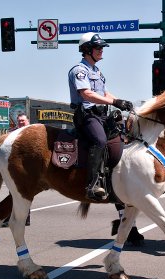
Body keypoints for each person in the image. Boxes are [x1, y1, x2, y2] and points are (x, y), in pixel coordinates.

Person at [68, 32, 133, 199]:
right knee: (100, 140)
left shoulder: (97, 71)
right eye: (98, 47)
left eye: (102, 47)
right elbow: (87, 94)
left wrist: (120, 101)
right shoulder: (79, 70)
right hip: (87, 115)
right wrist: (113, 103)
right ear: (87, 50)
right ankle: (92, 184)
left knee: (121, 139)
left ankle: (113, 179)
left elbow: (104, 93)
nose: (101, 50)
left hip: (101, 115)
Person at [2, 113, 31, 227]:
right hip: (14, 168)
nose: (21, 122)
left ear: (28, 121)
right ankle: (12, 217)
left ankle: (25, 219)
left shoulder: (32, 132)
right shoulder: (13, 133)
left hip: (28, 169)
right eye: (19, 121)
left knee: (25, 194)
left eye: (23, 120)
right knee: (13, 193)